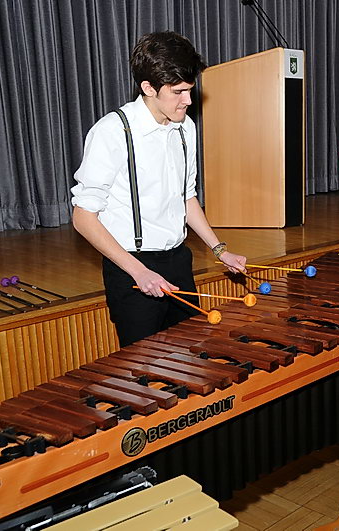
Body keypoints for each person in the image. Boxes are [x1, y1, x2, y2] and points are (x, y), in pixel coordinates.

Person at [71, 31, 247, 347]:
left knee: (192, 357)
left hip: (178, 261)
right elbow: (83, 217)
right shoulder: (113, 132)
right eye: (178, 92)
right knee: (145, 368)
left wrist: (219, 249)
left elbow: (186, 197)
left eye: (190, 90)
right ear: (148, 88)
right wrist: (138, 272)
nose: (188, 101)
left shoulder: (185, 127)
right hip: (131, 268)